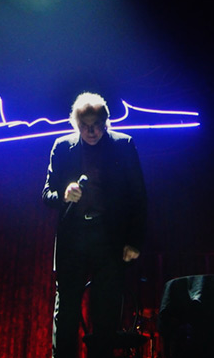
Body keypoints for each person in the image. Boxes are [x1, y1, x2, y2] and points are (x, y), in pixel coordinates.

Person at [42, 92, 147, 358]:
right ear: (76, 124)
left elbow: (138, 195)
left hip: (108, 238)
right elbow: (46, 195)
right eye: (86, 125)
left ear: (106, 122)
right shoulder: (62, 147)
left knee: (106, 311)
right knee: (66, 309)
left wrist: (134, 240)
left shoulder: (123, 145)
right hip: (73, 239)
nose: (92, 131)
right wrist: (64, 194)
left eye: (98, 124)